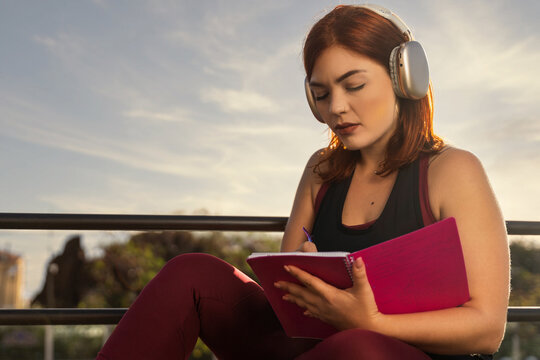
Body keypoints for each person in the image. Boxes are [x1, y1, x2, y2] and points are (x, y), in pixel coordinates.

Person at [97, 5, 509, 360]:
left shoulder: (453, 170)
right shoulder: (321, 170)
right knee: (191, 271)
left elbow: (487, 327)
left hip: (386, 353)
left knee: (358, 347)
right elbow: (285, 309)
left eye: (354, 85)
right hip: (314, 350)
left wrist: (372, 322)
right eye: (321, 93)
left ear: (405, 78)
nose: (337, 108)